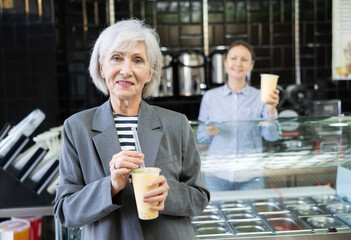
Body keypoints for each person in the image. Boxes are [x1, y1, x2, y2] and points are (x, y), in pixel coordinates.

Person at [54, 19, 210, 240]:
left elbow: (199, 197)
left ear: (149, 73)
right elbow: (65, 211)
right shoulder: (77, 128)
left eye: (138, 60)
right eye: (116, 58)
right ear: (102, 67)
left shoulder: (177, 124)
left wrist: (169, 193)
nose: (126, 70)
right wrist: (111, 185)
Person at [196, 40, 281, 191]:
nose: (238, 63)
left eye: (244, 59)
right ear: (225, 62)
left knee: (252, 216)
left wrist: (271, 109)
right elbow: (200, 138)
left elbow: (272, 137)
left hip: (251, 176)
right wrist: (207, 133)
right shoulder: (210, 97)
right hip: (216, 175)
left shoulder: (261, 97)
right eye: (233, 58)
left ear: (251, 65)